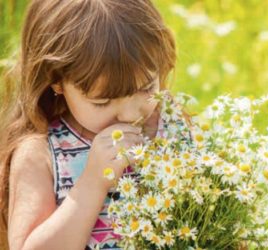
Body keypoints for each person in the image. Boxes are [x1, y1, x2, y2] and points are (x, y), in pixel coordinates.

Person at [0, 0, 182, 249]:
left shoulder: (169, 122)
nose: (129, 114)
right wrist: (94, 181)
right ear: (57, 82)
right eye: (103, 101)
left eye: (146, 88)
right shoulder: (41, 152)